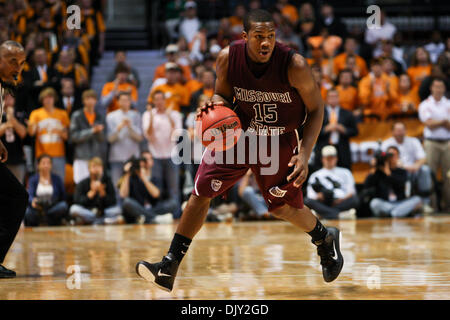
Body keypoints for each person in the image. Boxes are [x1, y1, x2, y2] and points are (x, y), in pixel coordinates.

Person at [136, 9, 344, 291]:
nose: (266, 43)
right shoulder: (228, 58)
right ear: (245, 37)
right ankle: (169, 265)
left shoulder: (294, 64)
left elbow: (317, 109)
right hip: (238, 134)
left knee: (283, 208)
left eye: (270, 36)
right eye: (259, 37)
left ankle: (324, 237)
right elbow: (221, 94)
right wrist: (213, 107)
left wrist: (305, 153)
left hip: (279, 139)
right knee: (201, 192)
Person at [0, 40, 29, 278]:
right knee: (17, 196)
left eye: (20, 63)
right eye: (12, 61)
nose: (17, 68)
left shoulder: (3, 86)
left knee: (14, 196)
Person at [142, 90, 183, 219]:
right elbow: (148, 136)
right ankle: (158, 215)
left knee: (174, 189)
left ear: (165, 100)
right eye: (156, 99)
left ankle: (176, 216)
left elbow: (177, 135)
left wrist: (170, 117)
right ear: (153, 101)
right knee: (157, 188)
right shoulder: (148, 115)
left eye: (161, 99)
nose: (159, 102)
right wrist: (152, 118)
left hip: (172, 155)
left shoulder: (174, 114)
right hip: (155, 156)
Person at [381, 122, 433, 210]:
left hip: (412, 170)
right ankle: (392, 203)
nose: (400, 133)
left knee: (425, 169)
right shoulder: (386, 143)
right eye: (397, 130)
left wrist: (414, 166)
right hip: (395, 172)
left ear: (405, 131)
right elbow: (382, 160)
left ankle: (425, 203)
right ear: (392, 132)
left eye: (402, 130)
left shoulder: (413, 141)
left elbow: (423, 158)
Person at [418, 78, 450, 211]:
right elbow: (428, 123)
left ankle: (448, 206)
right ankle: (432, 206)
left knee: (449, 175)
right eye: (436, 87)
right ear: (431, 88)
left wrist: (437, 122)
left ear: (444, 89)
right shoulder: (425, 104)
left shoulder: (448, 103)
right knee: (429, 174)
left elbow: (433, 122)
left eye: (441, 87)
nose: (438, 89)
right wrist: (444, 121)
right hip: (431, 142)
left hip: (448, 142)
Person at [365, 146, 422, 218]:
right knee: (374, 203)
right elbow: (367, 186)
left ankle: (393, 213)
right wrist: (373, 168)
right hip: (385, 203)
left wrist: (388, 173)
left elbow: (401, 184)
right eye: (389, 155)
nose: (392, 157)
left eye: (394, 155)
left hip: (400, 203)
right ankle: (396, 213)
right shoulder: (379, 172)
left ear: (398, 156)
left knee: (417, 199)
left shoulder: (401, 171)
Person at [28, 87, 70, 181]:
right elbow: (31, 133)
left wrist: (58, 131)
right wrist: (32, 126)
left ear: (54, 99)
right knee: (41, 183)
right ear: (42, 100)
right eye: (45, 98)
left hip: (58, 154)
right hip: (42, 155)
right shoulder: (36, 114)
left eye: (50, 97)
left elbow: (66, 136)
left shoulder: (62, 114)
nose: (48, 100)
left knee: (59, 182)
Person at [305, 146, 358, 220]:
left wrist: (341, 199)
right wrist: (320, 196)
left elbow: (351, 191)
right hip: (323, 202)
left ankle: (322, 214)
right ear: (322, 159)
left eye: (332, 158)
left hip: (341, 201)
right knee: (308, 201)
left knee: (355, 200)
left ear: (336, 158)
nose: (330, 160)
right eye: (327, 158)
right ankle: (339, 215)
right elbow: (310, 195)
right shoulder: (315, 175)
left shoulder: (346, 172)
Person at [119, 157, 174, 225]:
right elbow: (123, 195)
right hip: (138, 207)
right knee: (127, 202)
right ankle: (155, 218)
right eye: (139, 167)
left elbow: (156, 194)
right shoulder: (131, 178)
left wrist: (144, 178)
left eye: (143, 167)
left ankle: (146, 217)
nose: (140, 169)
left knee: (173, 203)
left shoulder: (153, 178)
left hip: (152, 208)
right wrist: (127, 173)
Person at [106, 91, 143, 191]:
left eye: (127, 100)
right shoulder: (111, 116)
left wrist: (130, 127)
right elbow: (109, 139)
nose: (125, 102)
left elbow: (140, 138)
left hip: (133, 157)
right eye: (122, 100)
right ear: (117, 102)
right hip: (116, 157)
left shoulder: (136, 115)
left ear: (130, 102)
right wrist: (119, 127)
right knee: (117, 185)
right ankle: (118, 206)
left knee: (134, 186)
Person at [314, 88, 358, 170]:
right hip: (323, 146)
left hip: (342, 149)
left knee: (344, 171)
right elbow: (312, 132)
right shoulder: (319, 114)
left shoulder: (347, 113)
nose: (333, 99)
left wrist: (344, 130)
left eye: (335, 96)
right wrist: (325, 129)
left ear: (338, 98)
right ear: (326, 98)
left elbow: (355, 131)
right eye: (331, 97)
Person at [70, 157, 121, 225]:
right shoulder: (83, 183)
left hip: (103, 211)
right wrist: (90, 194)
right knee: (74, 209)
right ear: (89, 169)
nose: (96, 169)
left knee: (118, 210)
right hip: (89, 211)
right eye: (94, 166)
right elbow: (77, 201)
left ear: (102, 168)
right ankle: (100, 220)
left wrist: (103, 193)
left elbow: (113, 201)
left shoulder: (107, 181)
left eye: (98, 166)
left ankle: (91, 221)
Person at [70, 89, 106, 184]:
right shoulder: (77, 116)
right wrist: (92, 131)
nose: (90, 101)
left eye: (92, 98)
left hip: (95, 156)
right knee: (80, 183)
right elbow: (74, 136)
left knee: (97, 183)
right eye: (87, 98)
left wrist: (99, 132)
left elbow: (102, 139)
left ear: (96, 101)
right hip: (81, 156)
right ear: (83, 101)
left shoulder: (99, 117)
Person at [25, 154, 68, 226]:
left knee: (63, 206)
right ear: (38, 165)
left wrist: (54, 201)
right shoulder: (33, 179)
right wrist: (33, 201)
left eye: (48, 163)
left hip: (52, 207)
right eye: (43, 163)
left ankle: (45, 218)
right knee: (27, 211)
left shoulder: (57, 179)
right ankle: (42, 219)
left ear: (51, 165)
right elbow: (30, 194)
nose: (46, 165)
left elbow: (63, 195)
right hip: (37, 207)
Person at [0, 94, 27, 183]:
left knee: (18, 187)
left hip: (18, 159)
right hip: (2, 160)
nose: (8, 101)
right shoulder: (0, 116)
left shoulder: (20, 114)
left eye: (10, 98)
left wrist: (12, 119)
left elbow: (23, 133)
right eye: (5, 98)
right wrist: (7, 124)